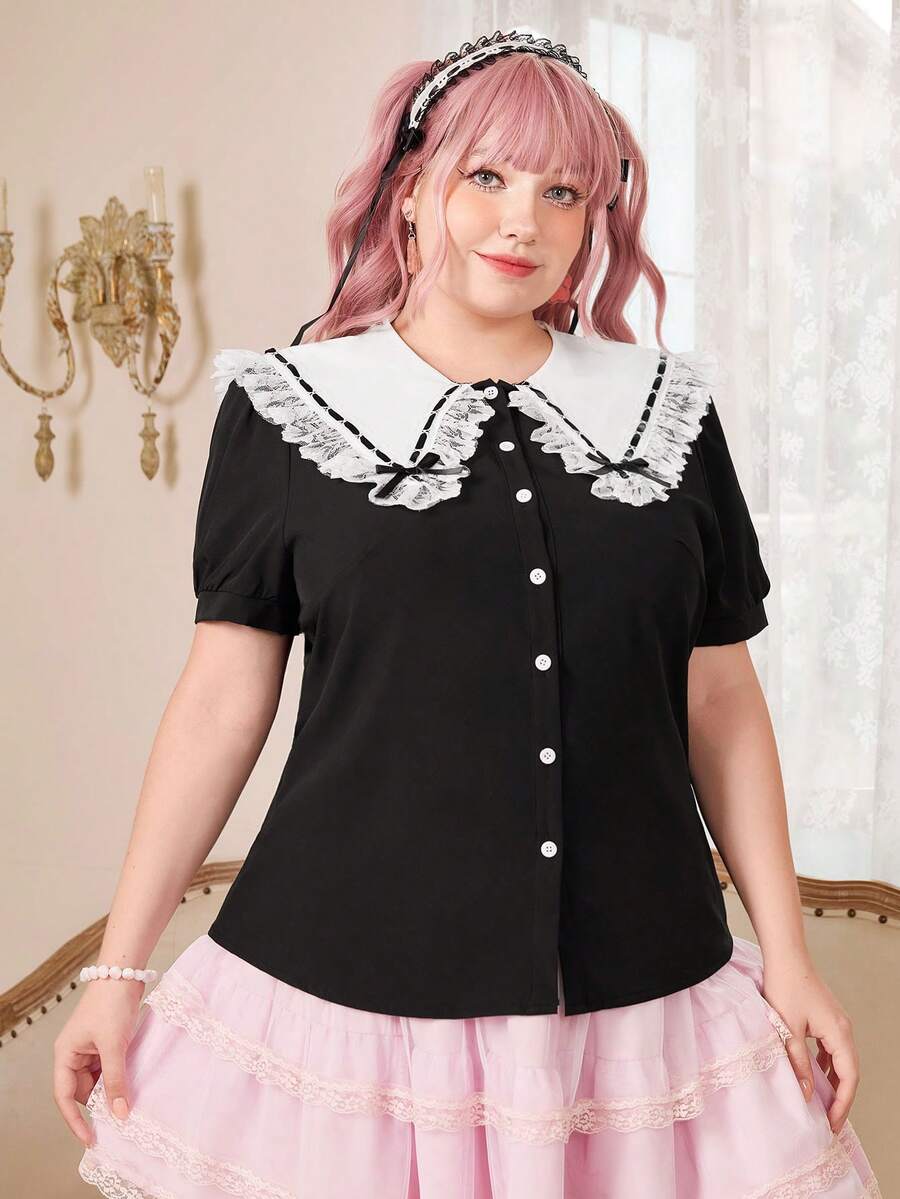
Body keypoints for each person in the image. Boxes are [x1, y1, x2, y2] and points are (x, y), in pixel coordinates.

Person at [54, 30, 882, 1199]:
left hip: (643, 1003)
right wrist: (119, 968)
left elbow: (721, 702)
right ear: (411, 188)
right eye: (485, 176)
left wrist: (787, 957)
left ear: (594, 219)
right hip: (353, 1002)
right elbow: (219, 701)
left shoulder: (668, 413)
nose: (521, 222)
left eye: (563, 192)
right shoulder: (291, 407)